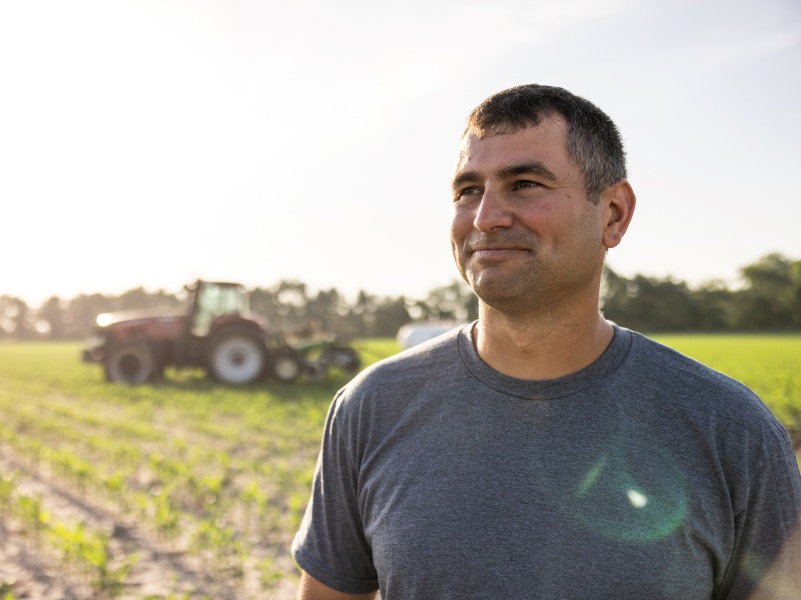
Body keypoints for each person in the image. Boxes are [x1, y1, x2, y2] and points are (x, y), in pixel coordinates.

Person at [291, 84, 801, 599]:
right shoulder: (371, 406)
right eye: (468, 190)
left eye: (526, 183)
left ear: (614, 213)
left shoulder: (731, 429)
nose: (486, 217)